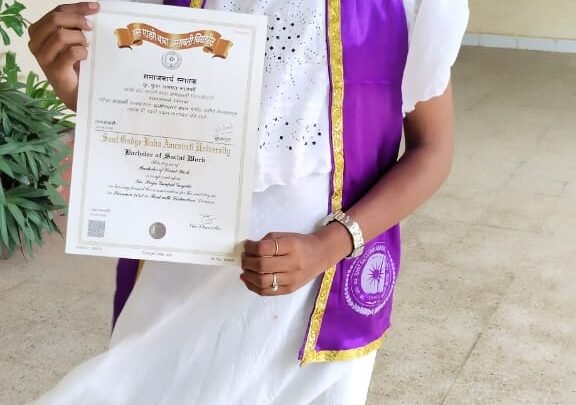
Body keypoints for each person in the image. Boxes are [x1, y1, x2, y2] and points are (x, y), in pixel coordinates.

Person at [28, 0, 469, 404]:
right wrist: (79, 91)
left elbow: (433, 149)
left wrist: (328, 245)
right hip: (183, 262)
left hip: (316, 282)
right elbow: (162, 117)